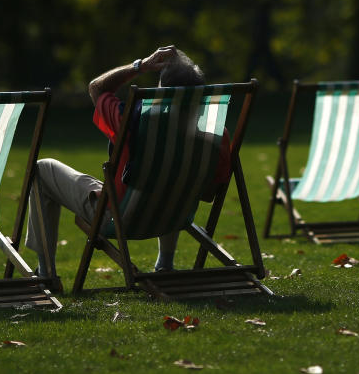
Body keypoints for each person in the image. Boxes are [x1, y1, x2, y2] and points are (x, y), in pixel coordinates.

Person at [24, 45, 231, 289]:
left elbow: (96, 87)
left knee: (42, 168)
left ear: (161, 92)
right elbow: (207, 194)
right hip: (175, 217)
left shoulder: (132, 123)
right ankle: (165, 263)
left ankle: (46, 273)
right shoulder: (218, 138)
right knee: (172, 180)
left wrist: (141, 65)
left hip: (119, 219)